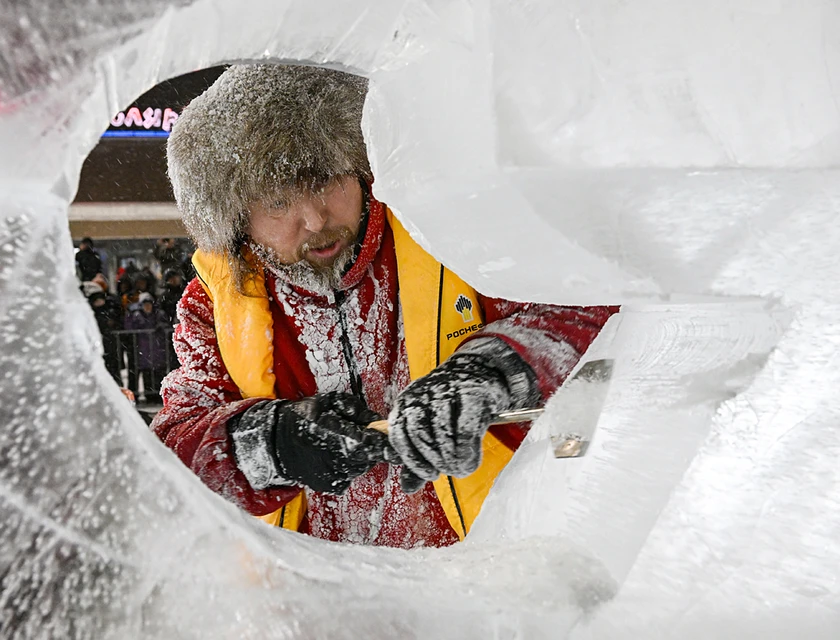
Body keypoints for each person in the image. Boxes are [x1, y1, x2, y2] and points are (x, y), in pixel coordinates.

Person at [153, 64, 616, 548]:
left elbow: (584, 308)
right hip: (314, 594)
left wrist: (489, 371)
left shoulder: (447, 230)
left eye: (326, 180)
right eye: (277, 202)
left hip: (489, 567)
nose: (314, 218)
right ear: (235, 218)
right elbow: (174, 449)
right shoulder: (216, 304)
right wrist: (272, 445)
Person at [124, 292, 170, 404]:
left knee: (158, 375)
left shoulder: (158, 315)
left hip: (157, 351)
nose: (147, 307)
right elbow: (129, 327)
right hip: (144, 351)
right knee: (147, 375)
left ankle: (158, 396)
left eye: (149, 304)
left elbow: (166, 325)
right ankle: (150, 396)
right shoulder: (137, 316)